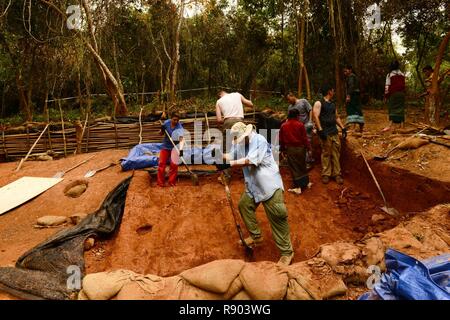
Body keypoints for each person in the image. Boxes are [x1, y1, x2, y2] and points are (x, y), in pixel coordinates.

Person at [217, 122, 294, 266]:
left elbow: (250, 161)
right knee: (244, 205)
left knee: (277, 216)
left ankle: (287, 252)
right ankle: (256, 236)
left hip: (269, 186)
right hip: (253, 186)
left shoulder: (259, 140)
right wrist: (219, 156)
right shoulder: (239, 143)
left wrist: (229, 164)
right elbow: (231, 155)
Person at [216, 90, 254, 184]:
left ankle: (226, 177)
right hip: (240, 122)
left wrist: (226, 119)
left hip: (228, 122)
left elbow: (219, 119)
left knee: (226, 149)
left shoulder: (219, 101)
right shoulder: (237, 95)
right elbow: (250, 104)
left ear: (220, 95)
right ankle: (250, 175)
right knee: (246, 147)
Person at [312, 84, 347, 185]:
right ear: (329, 91)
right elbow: (316, 116)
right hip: (325, 132)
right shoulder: (319, 103)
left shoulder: (332, 104)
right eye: (333, 90)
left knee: (336, 152)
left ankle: (337, 174)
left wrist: (343, 128)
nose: (334, 92)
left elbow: (336, 117)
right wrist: (320, 130)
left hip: (334, 132)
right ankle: (326, 174)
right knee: (326, 153)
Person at [279, 108, 312, 195]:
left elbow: (281, 140)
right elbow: (305, 138)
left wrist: (282, 150)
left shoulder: (283, 126)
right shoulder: (300, 125)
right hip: (301, 148)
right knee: (302, 165)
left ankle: (298, 187)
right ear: (297, 116)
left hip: (291, 149)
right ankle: (306, 183)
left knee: (294, 167)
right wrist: (309, 148)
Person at [285, 92, 314, 168]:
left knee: (307, 143)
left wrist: (310, 121)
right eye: (287, 100)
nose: (289, 101)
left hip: (306, 126)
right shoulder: (290, 107)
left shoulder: (303, 101)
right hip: (297, 129)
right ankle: (301, 161)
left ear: (293, 96)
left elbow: (310, 110)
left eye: (289, 99)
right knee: (299, 145)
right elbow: (288, 118)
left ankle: (308, 162)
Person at [157, 112, 185, 187]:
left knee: (174, 165)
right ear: (171, 118)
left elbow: (182, 140)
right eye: (174, 120)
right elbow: (160, 134)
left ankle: (171, 182)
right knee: (161, 163)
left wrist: (181, 150)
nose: (176, 121)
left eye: (177, 120)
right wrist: (162, 130)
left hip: (175, 147)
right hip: (165, 146)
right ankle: (160, 182)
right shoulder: (166, 123)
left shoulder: (179, 128)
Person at [383, 61, 406, 132]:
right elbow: (404, 84)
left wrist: (386, 96)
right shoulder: (402, 74)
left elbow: (387, 86)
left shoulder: (389, 75)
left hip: (394, 93)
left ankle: (390, 125)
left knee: (392, 108)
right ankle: (402, 126)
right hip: (402, 94)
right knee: (401, 108)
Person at [343, 65, 365, 132]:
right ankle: (359, 126)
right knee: (357, 109)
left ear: (350, 70)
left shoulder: (351, 77)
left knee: (351, 109)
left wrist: (348, 95)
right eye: (344, 71)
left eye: (346, 70)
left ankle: (353, 127)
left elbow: (351, 86)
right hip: (356, 95)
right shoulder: (353, 76)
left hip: (353, 96)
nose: (344, 72)